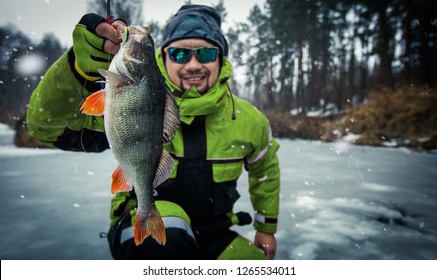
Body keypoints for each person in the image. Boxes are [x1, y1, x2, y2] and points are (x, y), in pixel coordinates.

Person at [26, 4, 280, 260]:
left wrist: (266, 228)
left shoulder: (251, 121)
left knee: (254, 264)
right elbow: (43, 127)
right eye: (180, 54)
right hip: (144, 225)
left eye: (205, 53)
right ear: (164, 57)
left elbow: (265, 171)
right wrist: (77, 72)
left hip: (214, 234)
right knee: (169, 236)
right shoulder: (130, 101)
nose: (193, 65)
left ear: (221, 58)